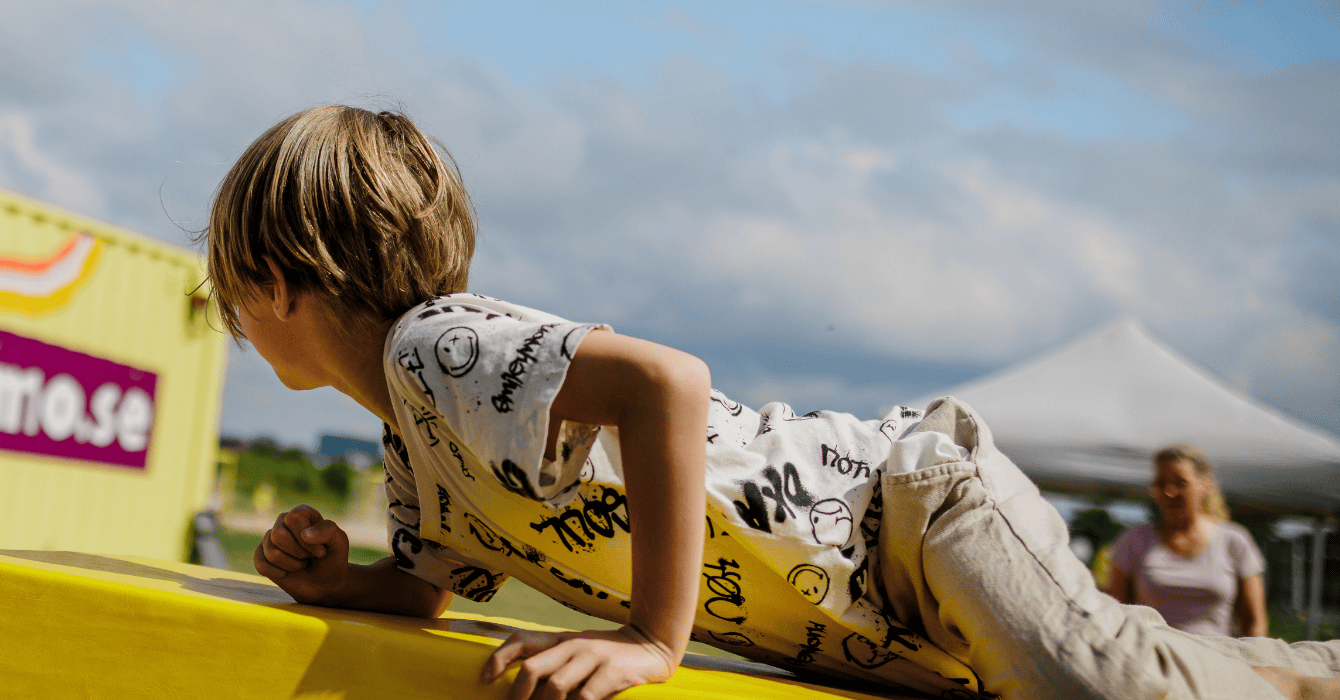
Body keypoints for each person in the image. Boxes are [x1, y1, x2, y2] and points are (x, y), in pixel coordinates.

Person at [210, 104, 1340, 700]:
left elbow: (668, 382)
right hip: (869, 613)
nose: (232, 320)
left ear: (273, 282)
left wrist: (653, 639)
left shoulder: (435, 349)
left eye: (230, 296)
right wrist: (338, 579)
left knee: (1111, 695)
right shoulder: (416, 426)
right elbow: (433, 588)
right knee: (1138, 672)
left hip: (906, 517)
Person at [1109, 444, 1268, 637]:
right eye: (1160, 484)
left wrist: (1250, 663)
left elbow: (1254, 621)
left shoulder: (1234, 541)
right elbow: (1113, 615)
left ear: (1205, 485)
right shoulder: (1133, 542)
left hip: (1217, 660)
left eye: (1180, 483)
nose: (1169, 492)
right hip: (1152, 658)